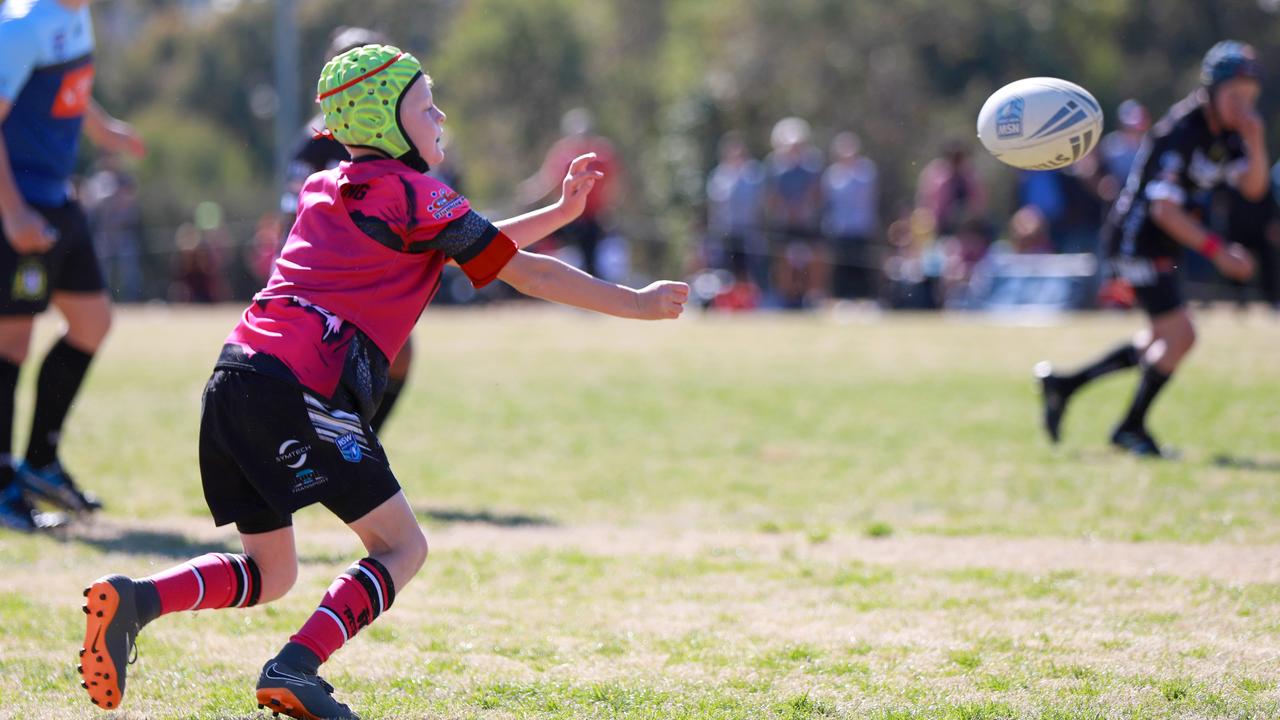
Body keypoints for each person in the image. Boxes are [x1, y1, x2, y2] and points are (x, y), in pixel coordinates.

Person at [76, 43, 688, 719]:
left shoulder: (324, 189)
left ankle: (135, 601)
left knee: (271, 572)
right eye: (426, 105)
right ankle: (295, 669)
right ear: (386, 122)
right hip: (302, 388)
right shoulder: (417, 193)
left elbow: (459, 248)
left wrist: (556, 215)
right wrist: (634, 302)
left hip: (234, 378)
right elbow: (523, 270)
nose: (440, 114)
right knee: (402, 546)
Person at [1036, 41, 1265, 456]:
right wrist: (1219, 250)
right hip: (1136, 241)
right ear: (1211, 91)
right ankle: (1130, 426)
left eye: (1250, 98)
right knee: (1181, 337)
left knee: (1160, 340)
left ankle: (1065, 386)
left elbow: (1253, 187)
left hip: (1163, 245)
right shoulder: (1180, 132)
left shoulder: (1231, 134)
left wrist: (1257, 140)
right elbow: (1163, 210)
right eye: (1235, 96)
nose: (1243, 106)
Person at [0, 0, 145, 531]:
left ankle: (40, 463)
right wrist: (13, 212)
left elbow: (66, 85)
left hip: (58, 198)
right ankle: (2, 486)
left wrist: (104, 129)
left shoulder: (77, 15)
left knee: (92, 323)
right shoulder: (22, 28)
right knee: (10, 341)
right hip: (18, 202)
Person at [283, 26, 415, 434]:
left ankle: (362, 442)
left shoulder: (395, 136)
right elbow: (294, 211)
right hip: (324, 272)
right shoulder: (316, 141)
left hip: (374, 270)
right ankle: (319, 447)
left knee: (401, 354)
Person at [518, 108, 620, 277]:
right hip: (566, 216)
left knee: (591, 259)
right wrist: (528, 195)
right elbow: (547, 180)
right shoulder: (563, 154)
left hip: (591, 218)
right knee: (532, 236)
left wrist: (610, 207)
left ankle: (591, 295)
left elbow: (614, 184)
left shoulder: (602, 155)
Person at [822, 131, 880, 302]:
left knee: (862, 266)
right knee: (841, 267)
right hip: (840, 228)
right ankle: (841, 298)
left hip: (861, 227)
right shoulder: (832, 174)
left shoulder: (866, 170)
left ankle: (864, 299)